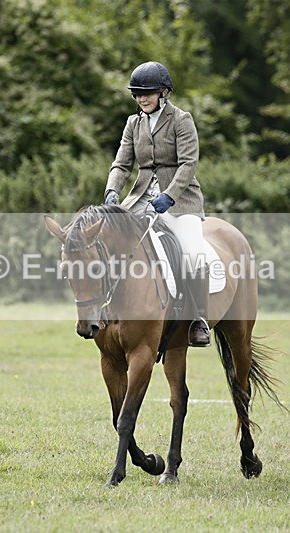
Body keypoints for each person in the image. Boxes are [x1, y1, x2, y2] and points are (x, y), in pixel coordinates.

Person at [104, 60, 210, 347]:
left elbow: (189, 163)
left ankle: (199, 319)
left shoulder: (181, 119)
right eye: (137, 94)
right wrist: (112, 190)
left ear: (164, 92)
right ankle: (105, 309)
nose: (142, 99)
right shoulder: (132, 123)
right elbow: (121, 164)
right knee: (108, 242)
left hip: (180, 200)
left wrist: (170, 194)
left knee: (192, 254)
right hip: (140, 198)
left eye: (148, 93)